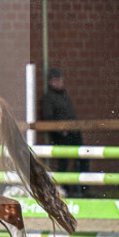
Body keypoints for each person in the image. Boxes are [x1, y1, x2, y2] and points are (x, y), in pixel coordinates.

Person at [39, 67, 88, 196]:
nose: (58, 83)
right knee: (63, 162)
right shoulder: (49, 97)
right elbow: (48, 117)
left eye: (60, 80)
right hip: (62, 135)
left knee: (83, 158)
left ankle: (84, 189)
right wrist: (61, 131)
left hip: (73, 132)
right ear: (50, 82)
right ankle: (65, 190)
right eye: (55, 80)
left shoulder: (64, 95)